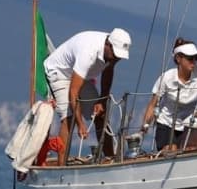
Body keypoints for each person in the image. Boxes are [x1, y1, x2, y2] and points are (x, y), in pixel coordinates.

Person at [43, 28, 131, 165]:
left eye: (119, 56)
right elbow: (73, 92)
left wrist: (102, 100)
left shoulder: (112, 53)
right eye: (115, 54)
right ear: (108, 45)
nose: (117, 58)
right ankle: (61, 167)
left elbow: (108, 73)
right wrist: (80, 123)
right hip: (60, 73)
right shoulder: (88, 52)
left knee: (101, 115)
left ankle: (110, 159)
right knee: (69, 118)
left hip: (82, 75)